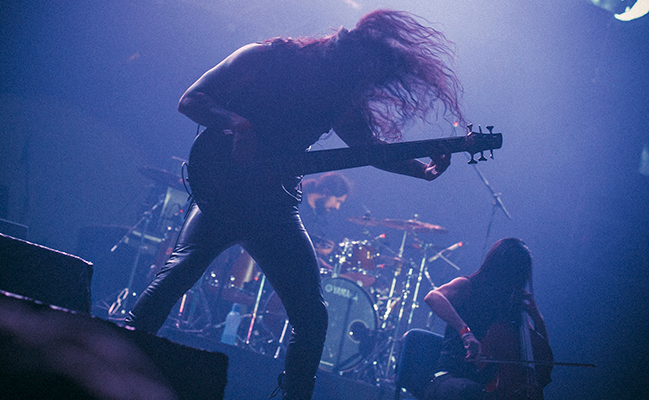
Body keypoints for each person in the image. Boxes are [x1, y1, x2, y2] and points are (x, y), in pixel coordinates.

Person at [126, 9, 462, 400]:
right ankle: (114, 358)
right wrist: (237, 123)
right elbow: (191, 100)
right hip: (225, 194)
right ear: (333, 62)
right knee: (177, 274)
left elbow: (370, 150)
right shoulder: (264, 57)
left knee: (312, 317)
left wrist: (423, 171)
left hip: (273, 208)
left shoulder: (339, 94)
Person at [422, 238, 552, 400]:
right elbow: (433, 297)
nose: (512, 282)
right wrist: (465, 332)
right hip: (451, 377)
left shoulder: (513, 304)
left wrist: (537, 318)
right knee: (470, 392)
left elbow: (537, 353)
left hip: (490, 386)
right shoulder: (468, 285)